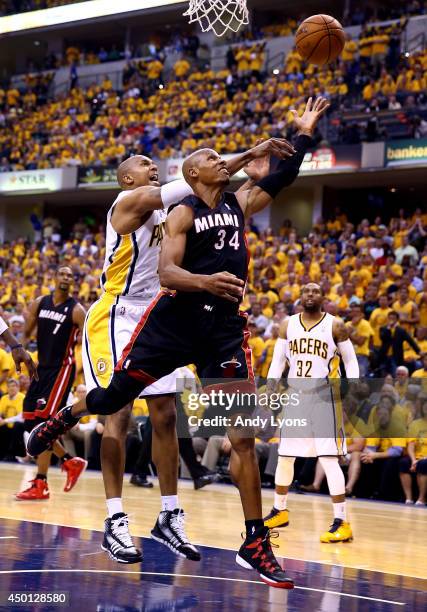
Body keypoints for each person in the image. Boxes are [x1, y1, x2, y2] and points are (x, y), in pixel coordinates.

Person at [28, 97, 330, 588]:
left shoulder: (214, 202)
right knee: (117, 410)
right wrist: (247, 152)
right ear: (128, 179)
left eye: (154, 165)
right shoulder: (136, 204)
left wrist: (301, 138)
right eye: (143, 165)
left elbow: (266, 182)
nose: (151, 167)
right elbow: (190, 196)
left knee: (190, 421)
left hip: (203, 323)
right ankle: (110, 510)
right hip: (129, 313)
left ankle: (214, 527)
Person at [263, 282, 359, 543]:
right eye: (306, 291)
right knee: (285, 456)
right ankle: (279, 510)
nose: (310, 295)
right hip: (295, 396)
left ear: (323, 297)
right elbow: (278, 361)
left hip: (324, 398)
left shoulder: (335, 325)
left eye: (316, 291)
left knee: (328, 459)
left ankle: (342, 521)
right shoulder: (287, 324)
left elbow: (350, 361)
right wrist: (271, 387)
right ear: (300, 297)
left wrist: (352, 390)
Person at [16, 266, 87, 501]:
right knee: (29, 422)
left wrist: (82, 372)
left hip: (61, 370)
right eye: (63, 274)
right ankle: (68, 461)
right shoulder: (40, 302)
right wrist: (23, 354)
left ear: (73, 282)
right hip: (40, 368)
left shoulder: (77, 310)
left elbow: (87, 341)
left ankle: (41, 483)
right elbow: (25, 334)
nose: (67, 277)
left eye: (71, 275)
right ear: (55, 277)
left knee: (43, 423)